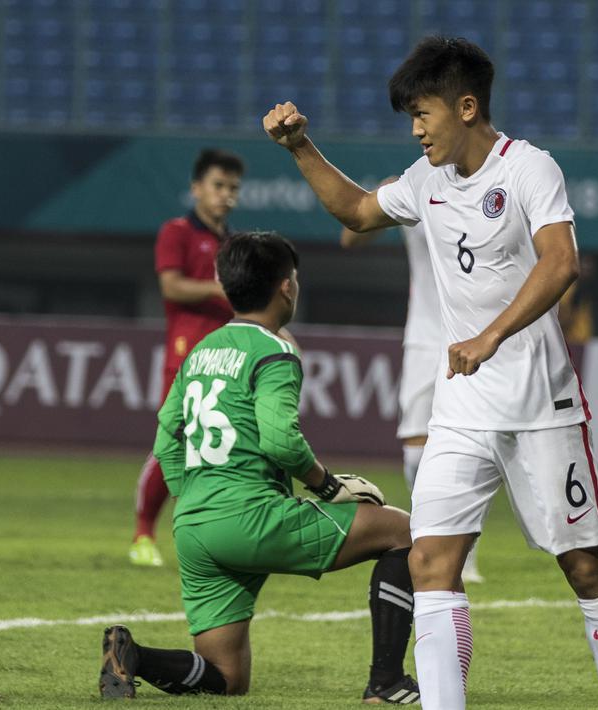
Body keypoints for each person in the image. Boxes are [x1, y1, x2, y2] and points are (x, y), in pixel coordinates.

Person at [265, 36, 598, 710]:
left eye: (422, 115)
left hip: (539, 406)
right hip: (460, 407)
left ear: (466, 107)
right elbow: (355, 210)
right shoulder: (424, 183)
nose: (414, 131)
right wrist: (299, 149)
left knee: (585, 568)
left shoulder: (529, 169)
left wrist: (490, 335)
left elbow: (559, 264)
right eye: (409, 117)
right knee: (430, 563)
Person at [101, 232, 421, 704]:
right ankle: (387, 682)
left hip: (194, 527)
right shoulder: (274, 351)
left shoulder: (202, 351)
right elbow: (279, 439)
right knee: (405, 532)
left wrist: (188, 497)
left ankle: (133, 658)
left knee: (227, 678)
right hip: (252, 518)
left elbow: (166, 436)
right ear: (286, 287)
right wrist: (329, 486)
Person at [340, 182, 482, 584]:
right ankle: (429, 536)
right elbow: (351, 236)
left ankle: (465, 550)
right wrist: (376, 197)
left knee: (473, 446)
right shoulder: (410, 188)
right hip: (425, 336)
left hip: (476, 335)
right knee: (417, 453)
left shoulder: (490, 188)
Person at [130, 149, 242, 567]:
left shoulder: (234, 245)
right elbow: (172, 287)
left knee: (222, 447)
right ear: (196, 188)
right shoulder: (176, 232)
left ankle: (214, 537)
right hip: (185, 355)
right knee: (172, 443)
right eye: (218, 186)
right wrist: (218, 289)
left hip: (229, 359)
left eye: (232, 188)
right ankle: (143, 532)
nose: (225, 195)